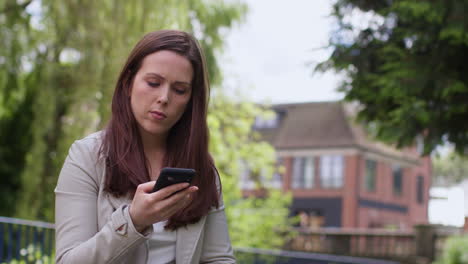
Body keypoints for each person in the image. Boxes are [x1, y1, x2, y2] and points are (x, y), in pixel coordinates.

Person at [54, 29, 236, 264]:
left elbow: (219, 258)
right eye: (153, 82)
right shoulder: (87, 157)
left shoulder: (202, 169)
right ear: (129, 83)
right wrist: (133, 221)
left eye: (179, 90)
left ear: (191, 100)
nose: (164, 97)